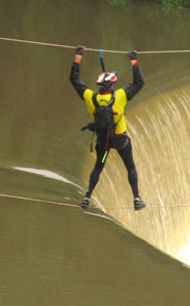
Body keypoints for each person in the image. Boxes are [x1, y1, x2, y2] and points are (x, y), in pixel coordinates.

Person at [69, 45, 146, 211]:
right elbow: (139, 82)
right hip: (120, 141)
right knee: (130, 166)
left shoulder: (91, 97)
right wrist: (133, 61)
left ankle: (87, 197)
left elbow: (74, 80)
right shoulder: (120, 96)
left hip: (104, 143)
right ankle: (137, 198)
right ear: (112, 85)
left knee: (99, 165)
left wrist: (78, 57)